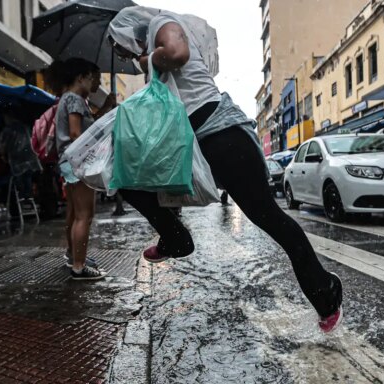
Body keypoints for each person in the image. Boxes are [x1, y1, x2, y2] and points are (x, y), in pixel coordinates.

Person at [108, 7, 342, 332]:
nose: (124, 55)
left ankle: (325, 292)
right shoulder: (152, 49)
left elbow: (177, 53)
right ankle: (175, 238)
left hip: (223, 136)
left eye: (121, 47)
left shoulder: (162, 25)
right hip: (195, 142)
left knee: (267, 217)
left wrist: (147, 62)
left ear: (129, 33)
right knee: (125, 177)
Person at [56, 58, 116, 280]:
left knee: (73, 213)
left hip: (67, 163)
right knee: (84, 216)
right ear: (81, 77)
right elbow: (75, 133)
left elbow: (86, 127)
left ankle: (73, 256)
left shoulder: (67, 98)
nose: (96, 84)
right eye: (93, 79)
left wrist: (107, 107)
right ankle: (79, 267)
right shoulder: (76, 99)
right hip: (78, 163)